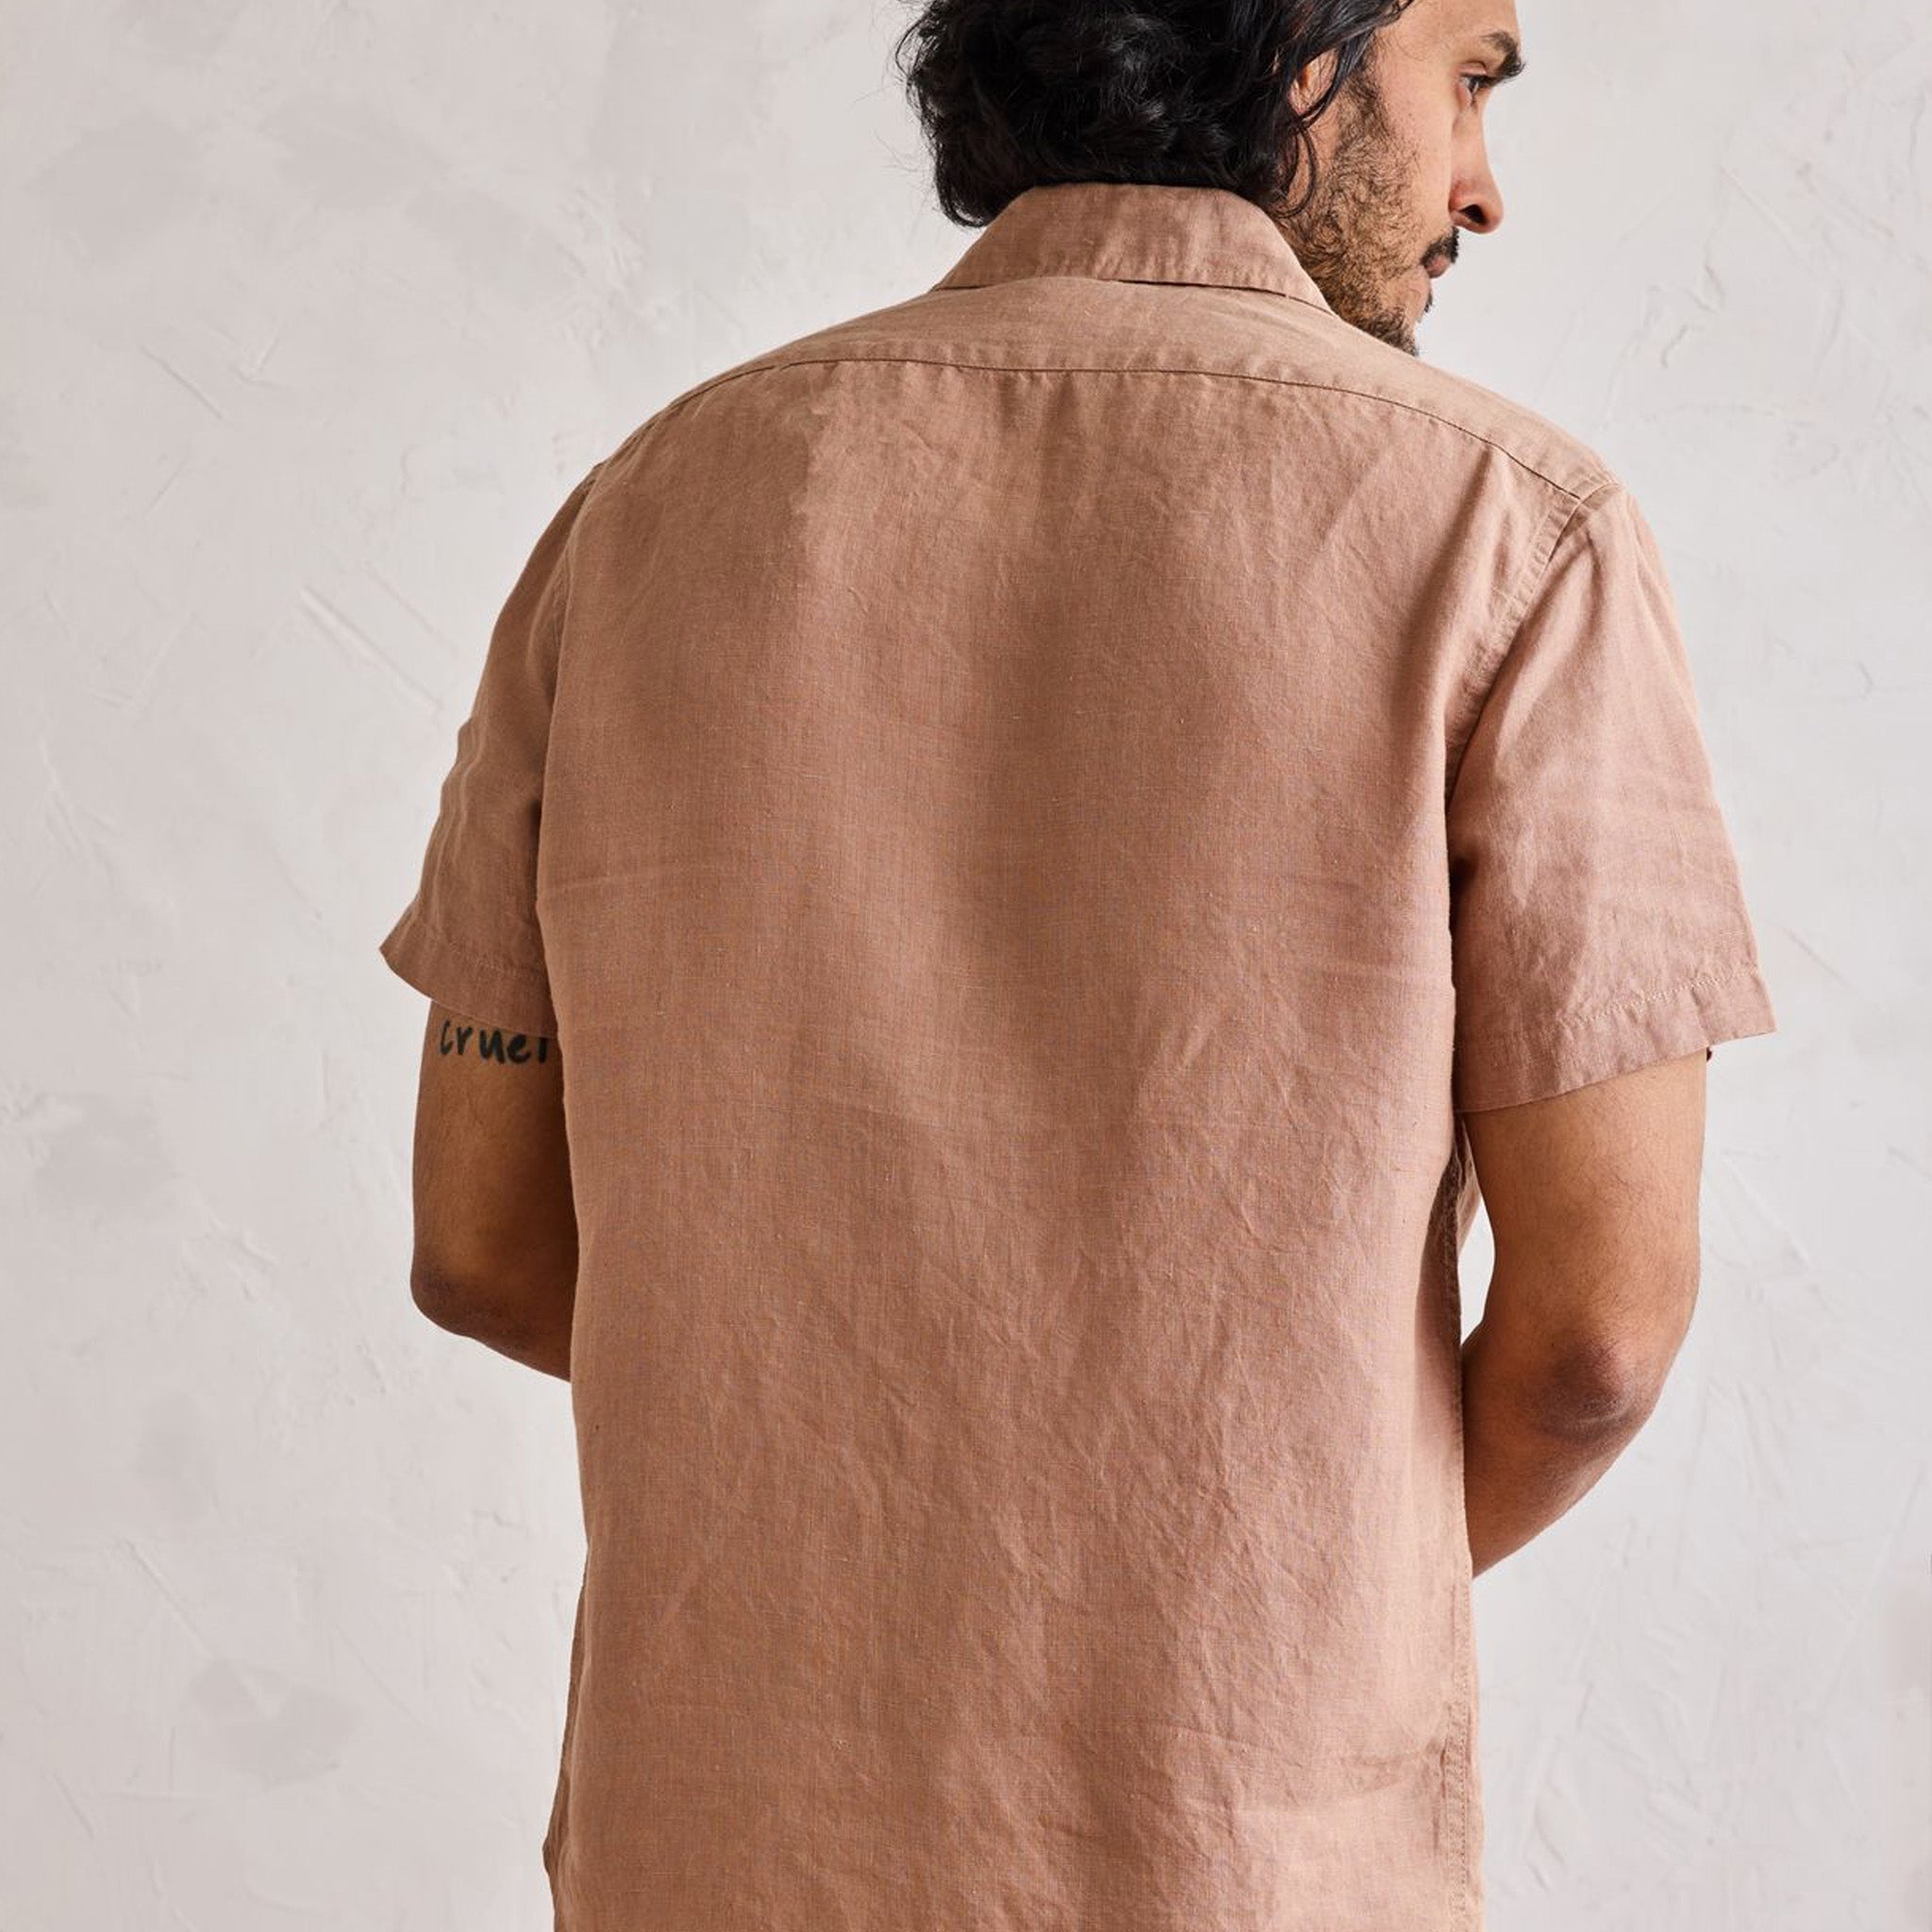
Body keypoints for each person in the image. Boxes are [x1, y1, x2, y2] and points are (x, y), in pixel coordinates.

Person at [377, 1, 1778, 1924]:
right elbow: (1597, 1339)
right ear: (1295, 44)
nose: (1481, 187)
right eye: (1467, 77)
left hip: (719, 1831)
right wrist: (1268, 1600)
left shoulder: (645, 510)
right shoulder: (1511, 527)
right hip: (1240, 1839)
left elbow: (480, 1243)